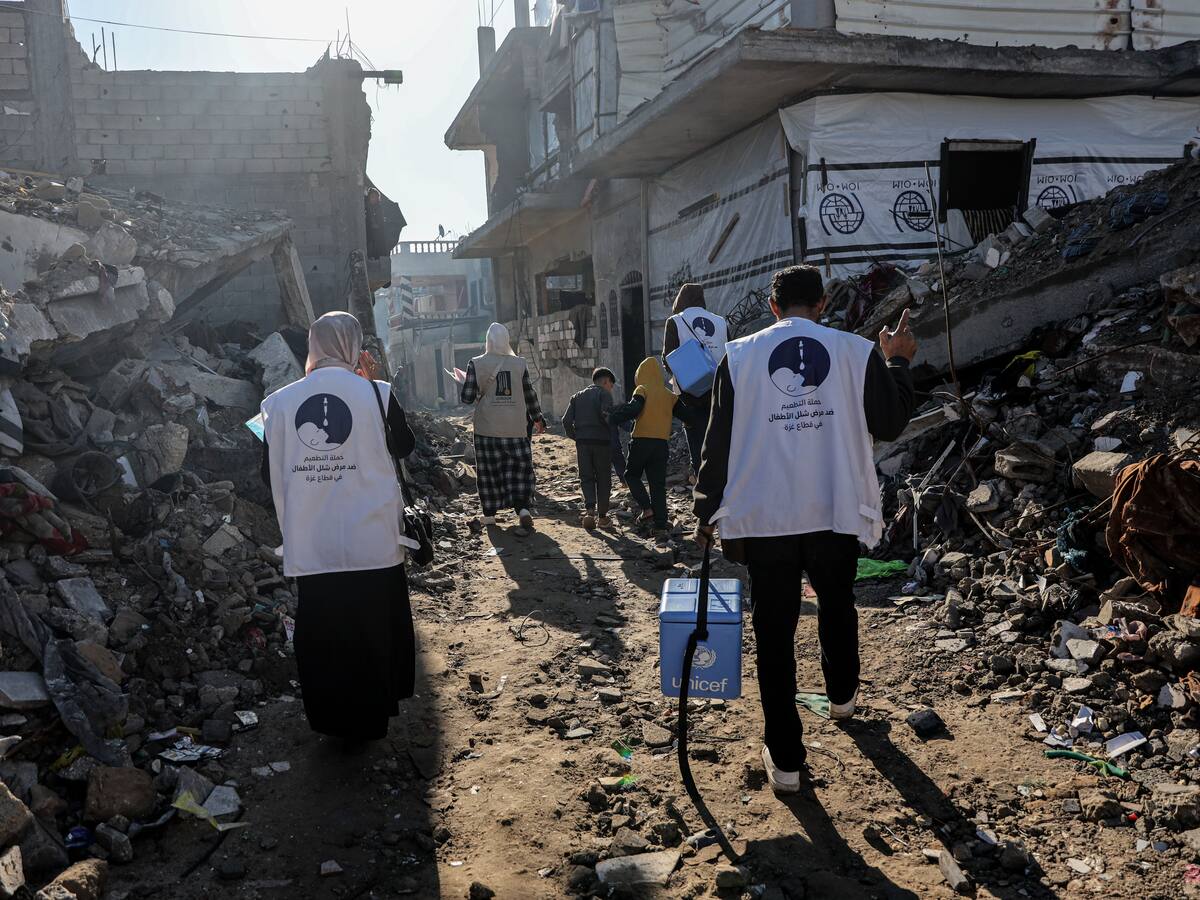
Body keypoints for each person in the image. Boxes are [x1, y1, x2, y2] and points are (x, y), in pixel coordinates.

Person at [692, 265, 917, 794]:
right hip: (834, 510)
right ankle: (843, 697)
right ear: (821, 305)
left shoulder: (738, 357)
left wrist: (706, 509)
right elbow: (890, 423)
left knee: (774, 635)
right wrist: (899, 361)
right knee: (837, 605)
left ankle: (787, 762)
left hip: (766, 519)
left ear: (773, 307)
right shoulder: (855, 351)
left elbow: (716, 442)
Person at [259, 311, 417, 743]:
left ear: (312, 346)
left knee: (325, 635)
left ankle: (332, 721)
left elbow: (264, 474)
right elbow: (404, 446)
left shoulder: (279, 403)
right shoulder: (377, 393)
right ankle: (373, 718)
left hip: (313, 542)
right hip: (373, 540)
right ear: (355, 346)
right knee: (371, 629)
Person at [460, 323, 547, 529]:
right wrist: (538, 418)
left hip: (486, 430)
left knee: (489, 471)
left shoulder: (476, 363)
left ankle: (489, 514)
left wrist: (465, 383)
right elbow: (529, 394)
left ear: (488, 341)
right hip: (516, 428)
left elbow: (467, 397)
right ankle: (523, 509)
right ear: (507, 341)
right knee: (519, 469)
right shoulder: (520, 364)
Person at [610, 357, 703, 543]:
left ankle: (647, 508)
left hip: (641, 442)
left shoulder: (642, 389)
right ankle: (660, 524)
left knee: (632, 475)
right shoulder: (669, 395)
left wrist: (612, 417)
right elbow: (688, 417)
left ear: (641, 375)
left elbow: (634, 408)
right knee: (657, 484)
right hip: (661, 445)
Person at [662, 283, 728, 479]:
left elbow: (668, 358)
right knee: (718, 439)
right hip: (719, 389)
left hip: (690, 394)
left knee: (697, 439)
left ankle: (702, 487)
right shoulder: (720, 321)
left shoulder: (675, 321)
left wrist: (683, 378)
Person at [563, 368, 617, 530]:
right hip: (601, 442)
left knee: (586, 476)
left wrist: (576, 437)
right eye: (611, 385)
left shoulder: (577, 397)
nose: (611, 388)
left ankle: (589, 511)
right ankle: (602, 517)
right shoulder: (604, 394)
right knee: (603, 478)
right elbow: (606, 415)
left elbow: (566, 421)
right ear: (606, 381)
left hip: (583, 443)